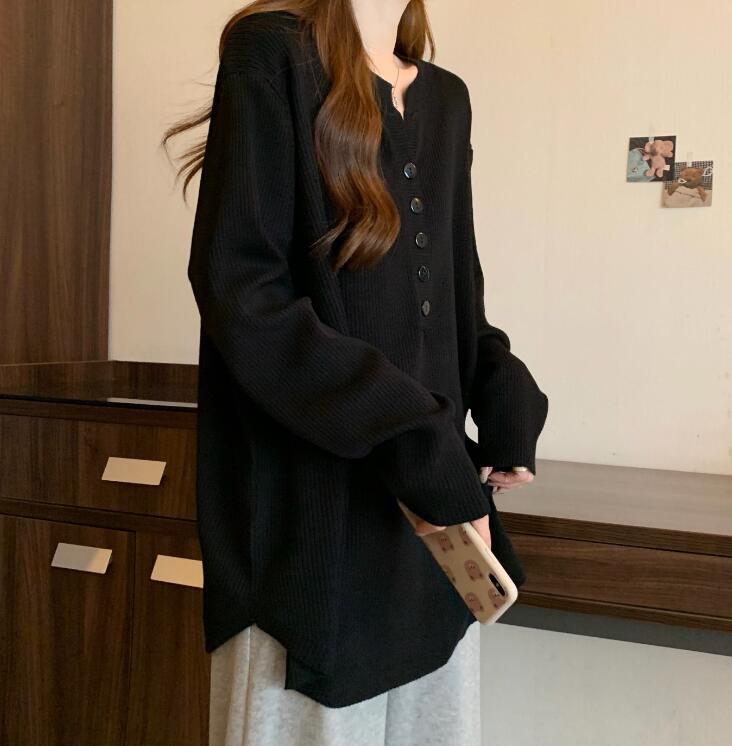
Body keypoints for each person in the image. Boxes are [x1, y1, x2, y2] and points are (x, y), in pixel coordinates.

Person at [163, 1, 549, 743]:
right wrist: (416, 436)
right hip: (309, 540)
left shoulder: (446, 98)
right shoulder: (273, 53)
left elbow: (452, 290)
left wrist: (500, 385)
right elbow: (244, 295)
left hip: (429, 540)